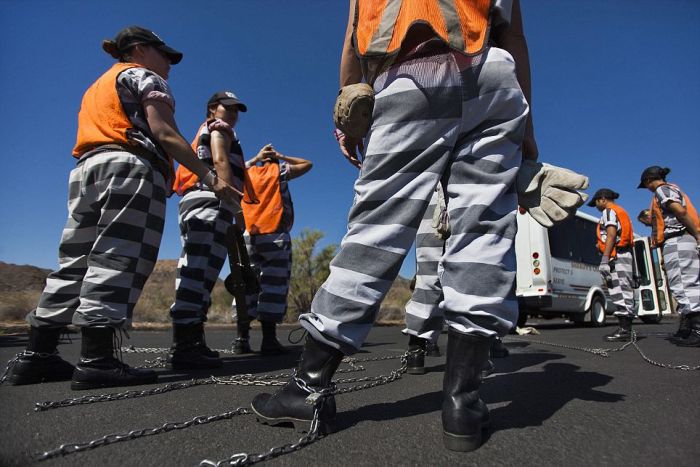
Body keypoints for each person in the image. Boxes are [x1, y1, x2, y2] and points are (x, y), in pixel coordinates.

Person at [251, 0, 585, 453]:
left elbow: (353, 43)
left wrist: (350, 108)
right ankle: (462, 402)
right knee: (484, 232)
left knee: (376, 228)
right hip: (494, 79)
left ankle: (308, 388)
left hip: (412, 75)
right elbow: (514, 36)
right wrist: (527, 127)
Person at [6, 26, 241, 389]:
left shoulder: (98, 85)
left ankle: (38, 354)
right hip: (129, 169)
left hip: (87, 170)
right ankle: (97, 359)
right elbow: (163, 133)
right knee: (118, 256)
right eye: (165, 55)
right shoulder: (144, 77)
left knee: (75, 262)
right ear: (140, 49)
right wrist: (211, 178)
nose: (169, 64)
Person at [168, 91, 262, 369]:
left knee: (199, 269)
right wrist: (235, 206)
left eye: (236, 110)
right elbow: (221, 161)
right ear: (212, 109)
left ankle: (191, 341)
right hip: (210, 199)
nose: (233, 115)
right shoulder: (219, 129)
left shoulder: (207, 130)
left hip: (196, 200)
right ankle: (185, 346)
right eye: (228, 108)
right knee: (199, 271)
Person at [232, 148, 312, 355]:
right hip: (274, 233)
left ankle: (242, 338)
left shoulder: (246, 172)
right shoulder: (279, 171)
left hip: (249, 234)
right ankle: (269, 339)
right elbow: (307, 164)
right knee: (273, 286)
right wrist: (282, 156)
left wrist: (255, 158)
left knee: (246, 284)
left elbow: (236, 168)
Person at [639, 166, 700, 347]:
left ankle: (697, 330)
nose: (647, 188)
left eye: (646, 184)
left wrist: (697, 234)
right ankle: (688, 329)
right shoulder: (672, 188)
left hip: (678, 240)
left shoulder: (662, 190)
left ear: (649, 180)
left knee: (685, 285)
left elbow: (680, 212)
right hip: (681, 240)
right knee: (684, 284)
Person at [587, 188, 636, 341]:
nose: (596, 206)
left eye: (596, 202)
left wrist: (605, 258)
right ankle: (625, 328)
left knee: (619, 290)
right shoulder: (620, 211)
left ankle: (625, 330)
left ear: (602, 199)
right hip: (624, 254)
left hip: (617, 256)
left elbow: (611, 234)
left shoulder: (609, 212)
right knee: (624, 290)